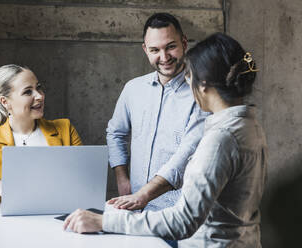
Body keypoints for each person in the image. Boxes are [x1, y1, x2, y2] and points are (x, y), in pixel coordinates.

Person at [64, 33, 268, 248]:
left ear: (204, 85)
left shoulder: (221, 139)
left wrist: (104, 221)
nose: (188, 85)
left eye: (190, 77)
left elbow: (183, 221)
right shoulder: (250, 125)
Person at [106, 13, 207, 211]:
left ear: (184, 43)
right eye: (155, 50)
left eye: (170, 47)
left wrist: (142, 195)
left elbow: (186, 155)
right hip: (134, 209)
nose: (164, 57)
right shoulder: (132, 89)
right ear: (145, 50)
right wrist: (122, 178)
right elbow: (115, 133)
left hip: (178, 214)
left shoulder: (202, 93)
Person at [0, 64, 82, 205]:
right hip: (8, 223)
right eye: (27, 92)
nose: (39, 96)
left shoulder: (65, 129)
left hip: (59, 218)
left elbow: (84, 178)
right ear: (5, 102)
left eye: (38, 88)